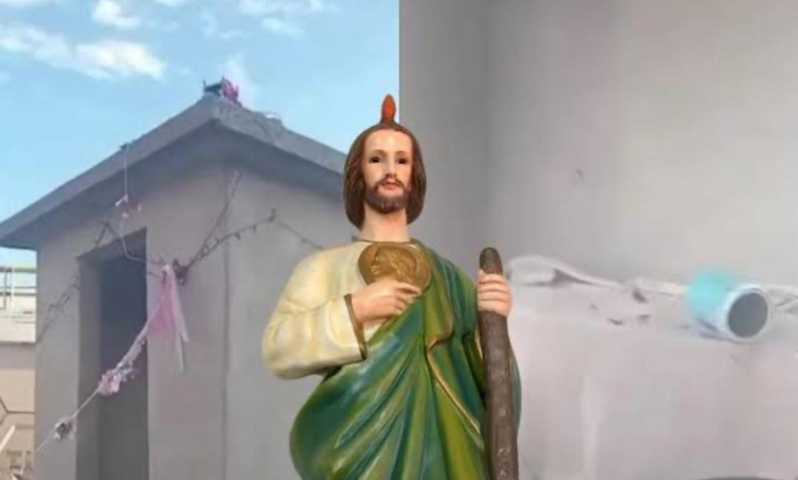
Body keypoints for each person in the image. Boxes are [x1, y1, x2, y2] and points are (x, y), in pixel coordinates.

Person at [263, 94, 520, 479]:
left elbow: (490, 388)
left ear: (414, 175)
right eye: (376, 159)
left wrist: (491, 330)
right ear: (358, 172)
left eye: (402, 160)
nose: (390, 170)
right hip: (360, 451)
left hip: (446, 455)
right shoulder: (323, 268)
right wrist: (354, 310)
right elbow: (278, 348)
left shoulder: (451, 279)